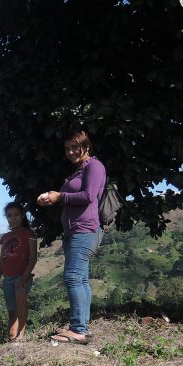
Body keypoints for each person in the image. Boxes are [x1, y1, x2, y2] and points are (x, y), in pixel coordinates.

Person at [37, 130, 106, 344]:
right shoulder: (80, 170)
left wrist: (59, 196)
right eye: (67, 148)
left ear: (86, 146)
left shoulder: (95, 166)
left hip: (85, 229)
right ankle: (81, 326)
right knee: (81, 278)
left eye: (75, 147)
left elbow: (88, 195)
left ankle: (78, 330)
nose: (70, 152)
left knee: (73, 277)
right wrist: (52, 197)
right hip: (74, 230)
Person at [0, 202, 38, 342]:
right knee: (12, 310)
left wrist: (23, 277)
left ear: (22, 215)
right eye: (9, 216)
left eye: (16, 215)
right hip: (7, 278)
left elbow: (33, 258)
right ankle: (12, 339)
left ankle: (21, 336)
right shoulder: (5, 237)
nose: (13, 218)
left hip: (21, 276)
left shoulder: (29, 233)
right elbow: (1, 260)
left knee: (21, 305)